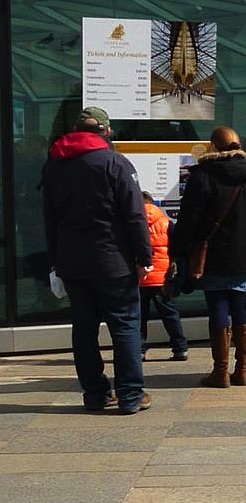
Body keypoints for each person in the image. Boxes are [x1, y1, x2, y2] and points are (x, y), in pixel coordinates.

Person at [41, 106, 153, 414]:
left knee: (84, 328)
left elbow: (49, 219)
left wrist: (55, 262)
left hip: (73, 262)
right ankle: (130, 395)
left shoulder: (55, 165)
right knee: (126, 326)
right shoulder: (115, 163)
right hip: (113, 261)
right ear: (104, 131)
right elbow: (134, 215)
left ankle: (95, 393)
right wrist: (145, 256)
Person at [171, 126, 246, 388]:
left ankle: (221, 371)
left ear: (214, 147)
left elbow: (188, 220)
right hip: (244, 253)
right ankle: (243, 370)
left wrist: (178, 250)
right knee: (240, 306)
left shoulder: (202, 177)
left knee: (218, 306)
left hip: (212, 254)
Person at [139, 191, 188, 362]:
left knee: (139, 316)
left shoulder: (132, 223)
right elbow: (177, 249)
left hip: (139, 276)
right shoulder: (167, 223)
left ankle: (139, 350)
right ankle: (180, 348)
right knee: (170, 314)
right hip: (162, 277)